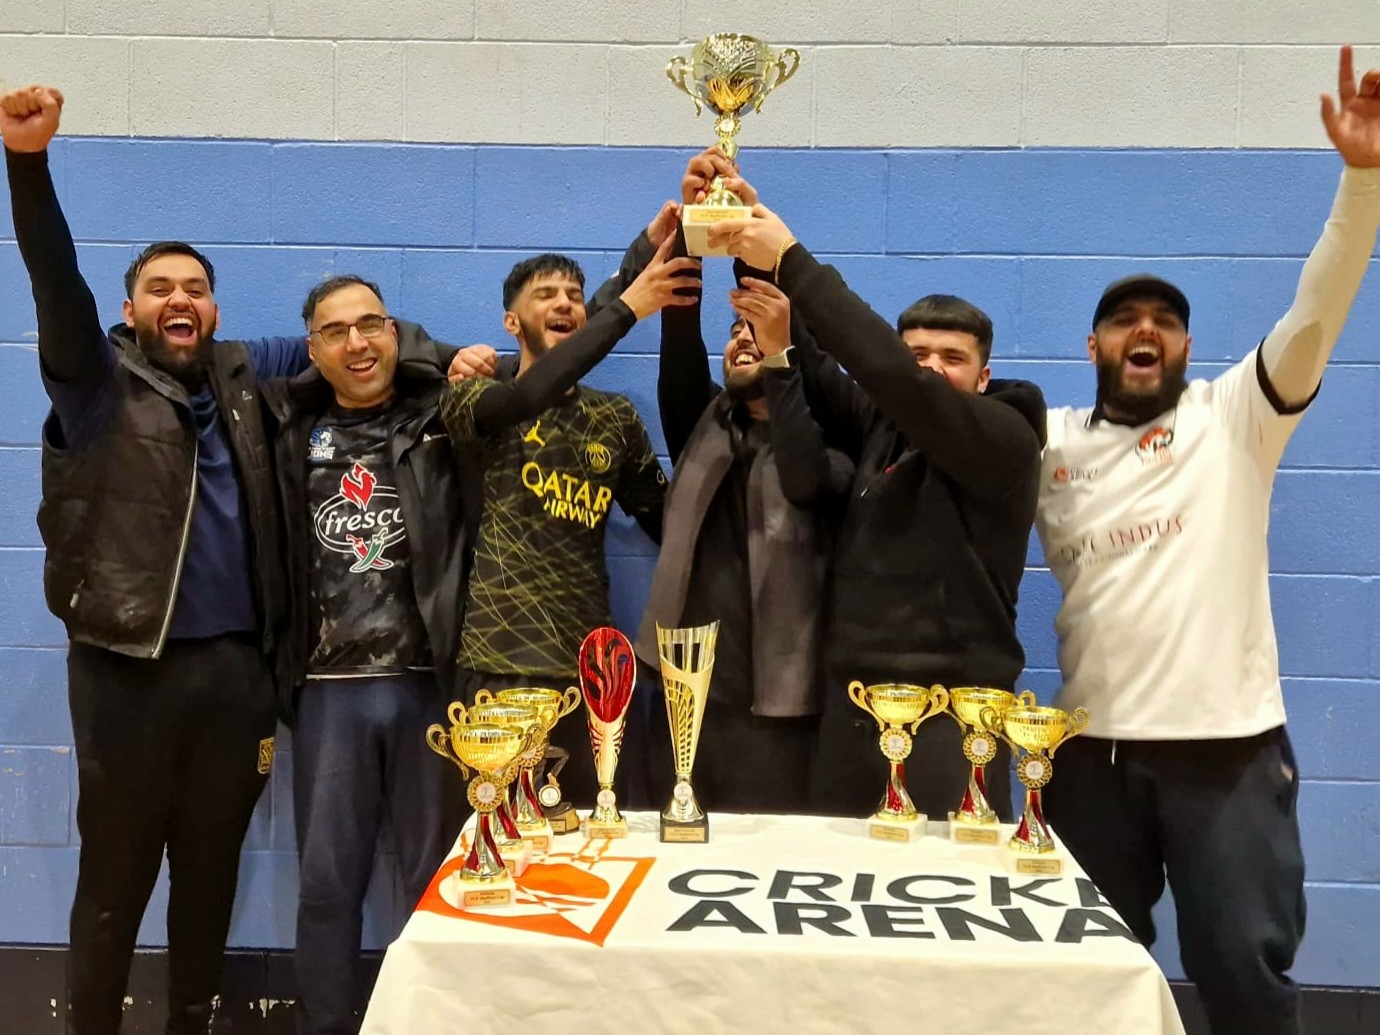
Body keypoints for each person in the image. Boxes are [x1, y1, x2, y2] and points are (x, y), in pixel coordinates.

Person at [1026, 48, 1380, 1035]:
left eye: (1167, 322)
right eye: (1124, 320)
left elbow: (1318, 309)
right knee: (1085, 984)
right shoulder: (1046, 441)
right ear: (1093, 347)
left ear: (1185, 348)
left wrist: (1362, 180)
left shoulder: (1236, 420)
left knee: (1240, 977)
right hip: (1090, 758)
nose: (1148, 330)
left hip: (1227, 757)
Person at [1, 84, 308, 1034]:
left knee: (210, 872)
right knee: (116, 876)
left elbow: (361, 341)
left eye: (195, 287)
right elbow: (56, 279)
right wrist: (27, 163)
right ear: (132, 310)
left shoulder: (248, 374)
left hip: (235, 677)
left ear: (212, 310)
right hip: (125, 670)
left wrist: (478, 361)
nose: (180, 299)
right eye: (160, 287)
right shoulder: (96, 380)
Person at [707, 191, 1046, 824]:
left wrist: (792, 257)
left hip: (952, 719)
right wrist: (740, 230)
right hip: (851, 710)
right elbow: (815, 352)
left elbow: (889, 374)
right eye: (919, 354)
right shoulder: (879, 427)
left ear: (983, 376)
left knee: (944, 906)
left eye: (953, 359)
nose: (933, 370)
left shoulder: (1007, 438)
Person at [262, 275, 466, 1034]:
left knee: (431, 880)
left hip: (427, 690)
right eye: (335, 331)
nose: (357, 342)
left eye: (372, 324)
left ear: (395, 331)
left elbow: (541, 362)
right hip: (329, 692)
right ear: (313, 349)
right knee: (326, 887)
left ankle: (428, 1022)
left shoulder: (441, 416)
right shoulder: (288, 429)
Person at [441, 221, 697, 809]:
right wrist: (629, 306)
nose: (563, 304)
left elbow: (669, 522)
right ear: (511, 321)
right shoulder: (474, 396)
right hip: (498, 663)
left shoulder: (616, 419)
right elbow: (528, 394)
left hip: (591, 672)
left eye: (575, 297)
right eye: (545, 295)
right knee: (497, 838)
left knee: (586, 843)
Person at [634, 149, 852, 813]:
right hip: (678, 693)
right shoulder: (701, 422)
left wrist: (764, 260)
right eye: (735, 330)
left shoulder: (831, 449)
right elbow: (679, 342)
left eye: (757, 333)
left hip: (774, 709)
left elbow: (805, 473)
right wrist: (700, 230)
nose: (742, 340)